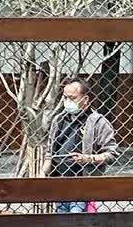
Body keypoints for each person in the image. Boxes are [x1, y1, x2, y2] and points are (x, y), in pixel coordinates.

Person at [45, 79, 117, 213]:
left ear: (85, 99)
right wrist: (44, 173)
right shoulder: (59, 120)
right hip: (59, 183)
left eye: (72, 98)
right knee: (61, 221)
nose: (67, 101)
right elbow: (49, 151)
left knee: (77, 219)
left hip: (83, 184)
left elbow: (112, 154)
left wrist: (88, 159)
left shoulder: (98, 122)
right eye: (65, 97)